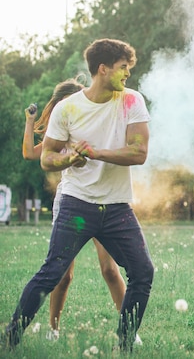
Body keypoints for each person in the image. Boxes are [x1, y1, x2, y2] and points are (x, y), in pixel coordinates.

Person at [4, 38, 154, 352]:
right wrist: (69, 159)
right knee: (52, 274)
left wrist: (96, 152)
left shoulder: (132, 101)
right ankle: (9, 340)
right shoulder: (68, 108)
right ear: (103, 68)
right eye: (123, 67)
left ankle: (124, 344)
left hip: (116, 206)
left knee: (142, 271)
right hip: (76, 203)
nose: (127, 74)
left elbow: (139, 152)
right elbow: (46, 158)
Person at [22, 78, 141, 344]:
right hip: (72, 203)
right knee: (63, 274)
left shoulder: (95, 127)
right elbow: (30, 153)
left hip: (104, 202)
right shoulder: (61, 135)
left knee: (110, 269)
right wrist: (30, 121)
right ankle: (52, 329)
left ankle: (130, 332)